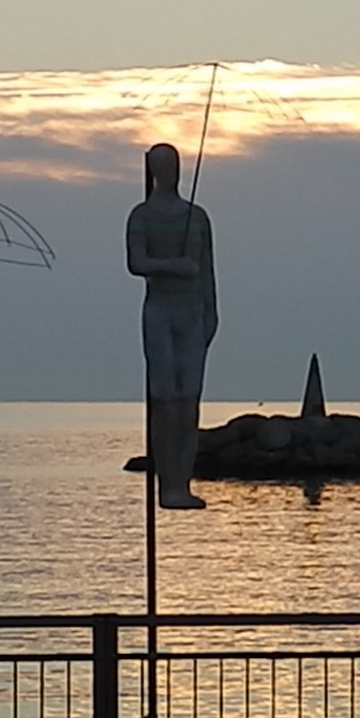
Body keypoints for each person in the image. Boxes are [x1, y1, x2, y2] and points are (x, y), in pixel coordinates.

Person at [127, 142, 218, 509]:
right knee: (164, 399)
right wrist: (173, 267)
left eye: (174, 163)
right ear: (152, 169)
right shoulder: (140, 216)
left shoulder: (197, 217)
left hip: (192, 311)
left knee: (188, 400)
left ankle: (183, 479)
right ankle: (168, 484)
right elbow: (136, 262)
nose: (170, 170)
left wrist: (212, 312)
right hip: (160, 310)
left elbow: (209, 270)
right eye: (162, 164)